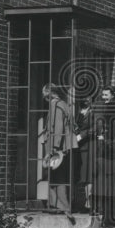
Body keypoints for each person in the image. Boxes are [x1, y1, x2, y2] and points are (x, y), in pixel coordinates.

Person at [42, 84, 78, 213]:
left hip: (58, 147)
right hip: (65, 145)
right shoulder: (64, 104)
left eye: (44, 94)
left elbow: (57, 127)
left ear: (48, 93)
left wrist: (53, 148)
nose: (43, 97)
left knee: (57, 176)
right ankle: (54, 203)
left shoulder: (55, 104)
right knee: (57, 175)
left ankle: (61, 205)